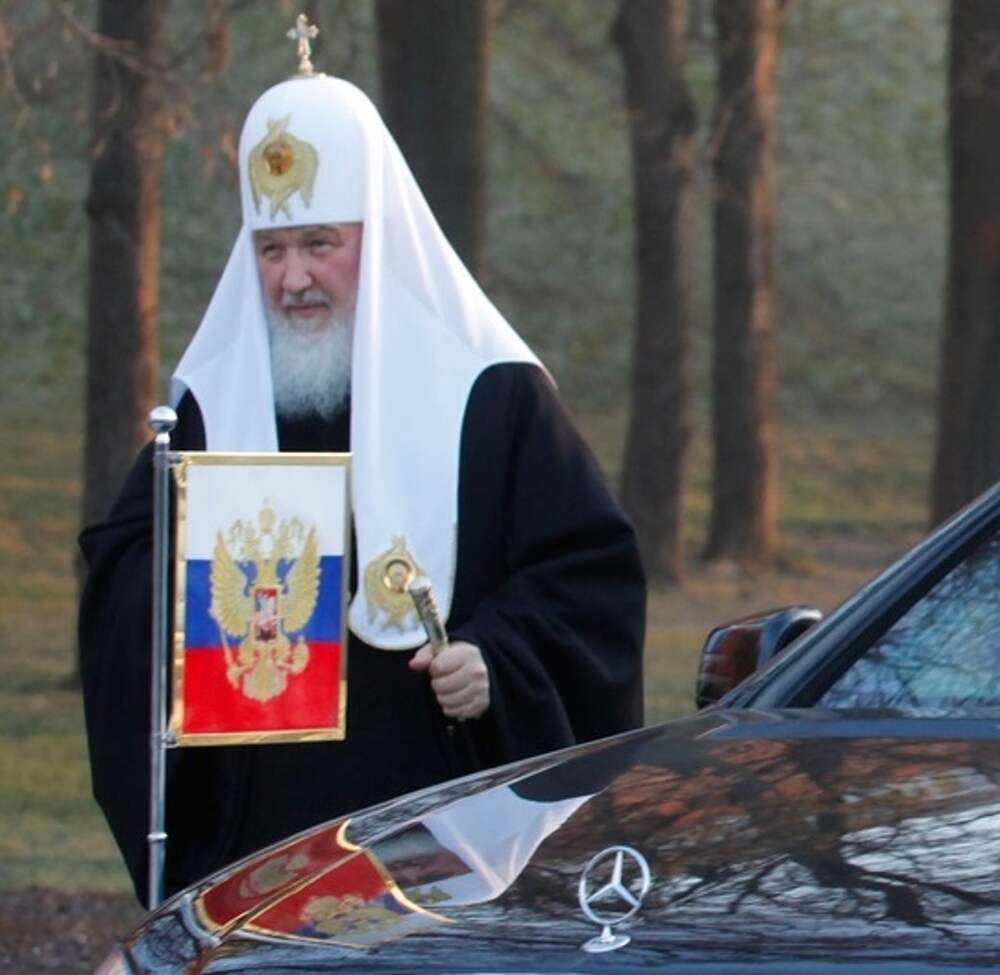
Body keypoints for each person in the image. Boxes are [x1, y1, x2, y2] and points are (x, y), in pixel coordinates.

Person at [78, 29, 645, 905]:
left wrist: (496, 658)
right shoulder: (212, 400)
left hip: (436, 819)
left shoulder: (489, 390)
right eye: (271, 250)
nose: (292, 278)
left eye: (319, 243)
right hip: (257, 830)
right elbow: (121, 572)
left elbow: (590, 582)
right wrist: (179, 590)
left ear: (376, 240)